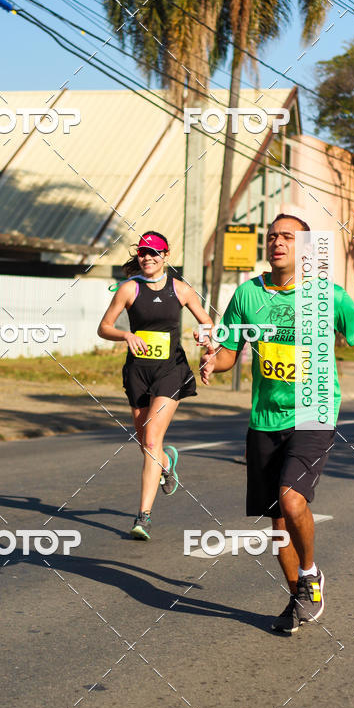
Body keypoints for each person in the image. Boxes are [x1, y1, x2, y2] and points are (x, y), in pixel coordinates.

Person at [198, 214, 354, 634]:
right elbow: (232, 350)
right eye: (272, 236)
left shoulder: (329, 296)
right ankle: (298, 598)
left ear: (304, 248)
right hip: (264, 418)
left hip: (313, 411)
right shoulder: (247, 295)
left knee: (290, 499)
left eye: (288, 237)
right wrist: (215, 359)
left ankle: (310, 573)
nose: (277, 242)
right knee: (276, 524)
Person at [98, 231, 212, 540]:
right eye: (143, 253)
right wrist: (126, 336)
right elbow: (104, 328)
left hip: (170, 371)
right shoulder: (129, 290)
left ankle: (143, 517)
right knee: (145, 443)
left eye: (154, 253)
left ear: (166, 256)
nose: (148, 258)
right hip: (137, 372)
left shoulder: (181, 289)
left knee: (150, 440)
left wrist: (203, 340)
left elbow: (207, 323)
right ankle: (167, 462)